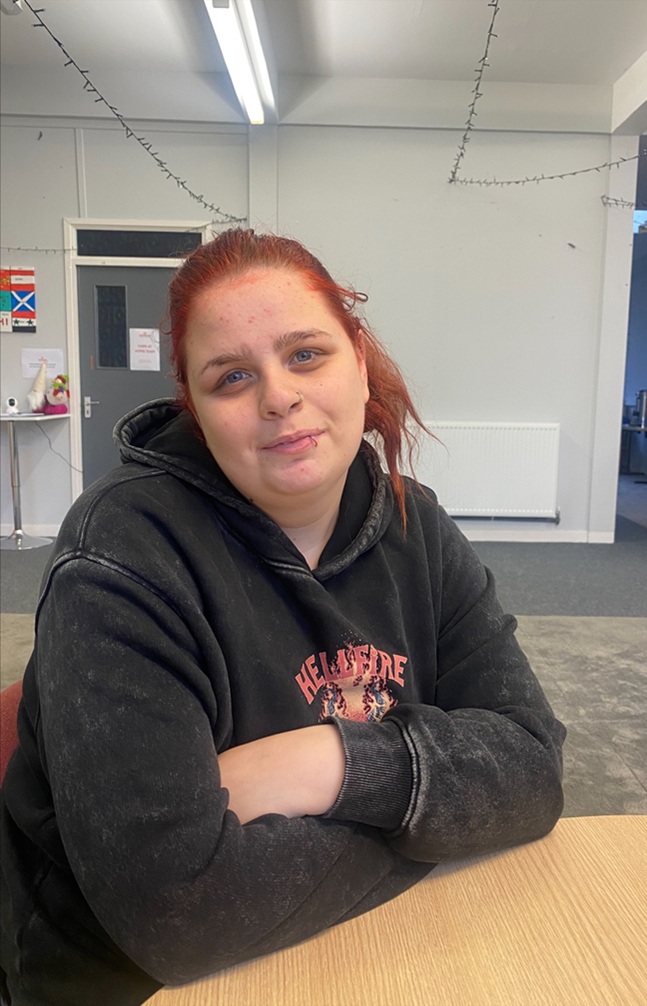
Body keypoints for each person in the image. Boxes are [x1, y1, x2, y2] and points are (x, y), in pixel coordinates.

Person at [0, 229, 565, 1006]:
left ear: (357, 360)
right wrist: (441, 814)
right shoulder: (121, 556)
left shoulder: (417, 527)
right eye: (231, 377)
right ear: (195, 409)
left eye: (305, 354)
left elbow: (533, 766)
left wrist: (320, 765)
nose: (277, 397)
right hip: (126, 979)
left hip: (355, 940)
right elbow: (177, 915)